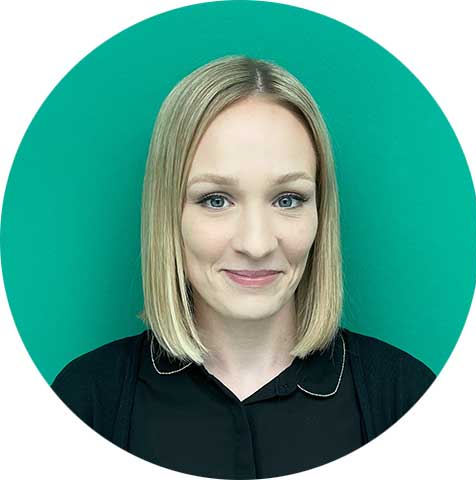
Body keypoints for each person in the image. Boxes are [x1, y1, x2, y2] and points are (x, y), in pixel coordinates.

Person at [51, 55, 435, 479]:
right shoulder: (85, 401)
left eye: (288, 199)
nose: (256, 244)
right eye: (216, 200)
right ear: (168, 215)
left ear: (320, 213)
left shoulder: (407, 397)